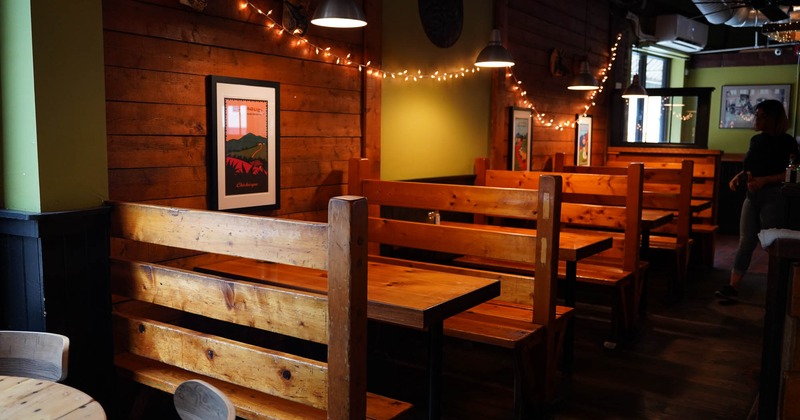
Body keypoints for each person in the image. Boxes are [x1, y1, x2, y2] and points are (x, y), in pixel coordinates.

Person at [716, 99, 799, 301]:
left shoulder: (788, 143)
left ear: (773, 119)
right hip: (752, 194)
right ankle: (733, 286)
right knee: (745, 241)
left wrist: (764, 181)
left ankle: (777, 286)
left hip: (774, 196)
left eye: (761, 116)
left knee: (771, 242)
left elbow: (792, 172)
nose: (756, 119)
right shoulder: (757, 140)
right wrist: (740, 176)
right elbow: (751, 166)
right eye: (757, 115)